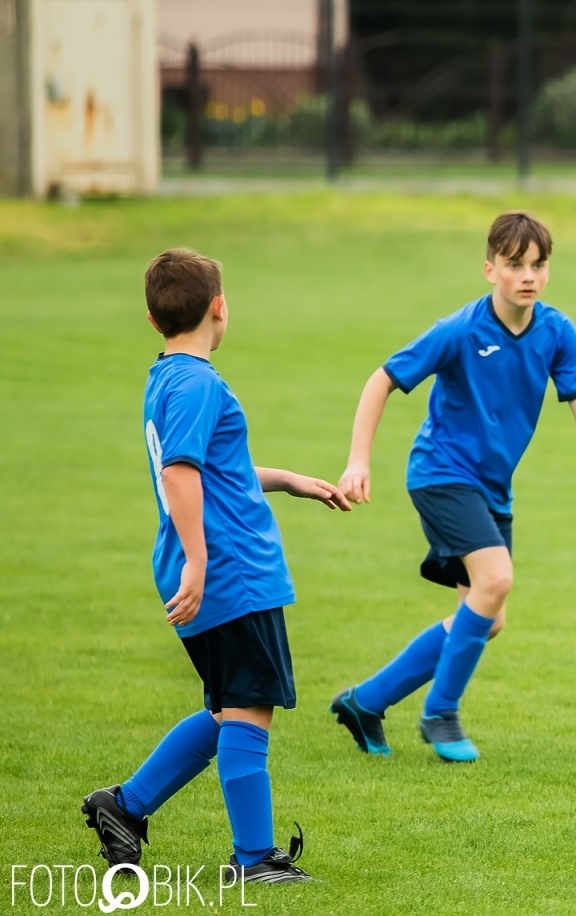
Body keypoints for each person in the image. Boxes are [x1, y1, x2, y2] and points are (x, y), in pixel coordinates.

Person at [330, 211, 576, 763]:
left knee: (488, 619)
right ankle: (440, 712)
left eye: (538, 265)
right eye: (515, 265)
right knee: (497, 580)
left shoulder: (558, 332)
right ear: (490, 269)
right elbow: (382, 379)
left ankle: (365, 701)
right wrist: (357, 460)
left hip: (491, 487)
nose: (528, 276)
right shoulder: (461, 331)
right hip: (441, 473)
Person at [83, 249, 350, 885]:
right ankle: (254, 857)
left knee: (229, 708)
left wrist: (285, 479)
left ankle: (125, 805)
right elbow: (180, 474)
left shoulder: (168, 377)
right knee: (248, 710)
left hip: (211, 565)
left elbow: (207, 471)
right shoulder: (199, 383)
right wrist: (200, 563)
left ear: (153, 321)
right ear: (220, 307)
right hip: (229, 570)